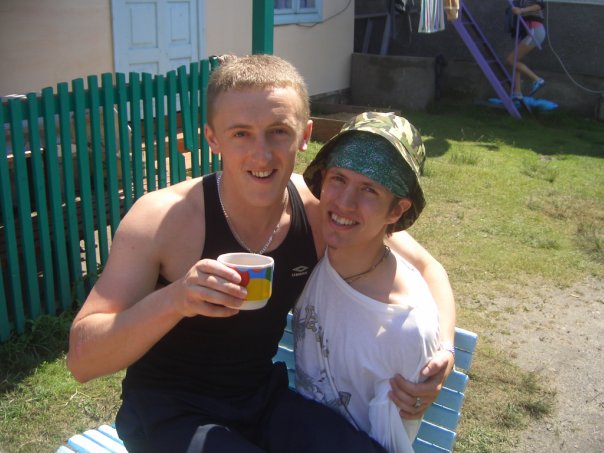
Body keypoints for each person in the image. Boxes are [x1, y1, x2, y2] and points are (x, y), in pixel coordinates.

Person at [66, 54, 455, 452]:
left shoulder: (320, 211)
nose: (262, 155)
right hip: (168, 412)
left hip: (260, 402)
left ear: (304, 135)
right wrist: (176, 299)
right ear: (212, 138)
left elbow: (428, 267)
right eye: (240, 134)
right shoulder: (162, 219)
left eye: (278, 132)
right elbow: (82, 359)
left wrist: (444, 349)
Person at [293, 112, 441, 452]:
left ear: (396, 211)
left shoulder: (405, 329)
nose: (344, 203)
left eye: (369, 190)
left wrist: (445, 346)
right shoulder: (320, 253)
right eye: (339, 179)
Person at [505, 0, 546, 101]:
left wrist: (521, 10)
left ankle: (537, 79)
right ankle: (517, 92)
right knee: (516, 61)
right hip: (529, 31)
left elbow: (540, 5)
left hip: (534, 30)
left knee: (511, 60)